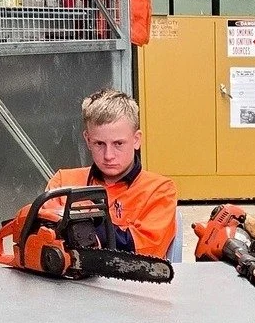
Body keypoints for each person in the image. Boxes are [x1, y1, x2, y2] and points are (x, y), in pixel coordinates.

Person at [43, 90, 178, 259]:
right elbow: (43, 238)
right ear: (87, 139)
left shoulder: (159, 190)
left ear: (136, 140)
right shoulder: (63, 182)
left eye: (118, 143)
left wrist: (82, 226)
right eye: (99, 143)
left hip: (131, 282)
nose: (108, 155)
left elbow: (144, 251)